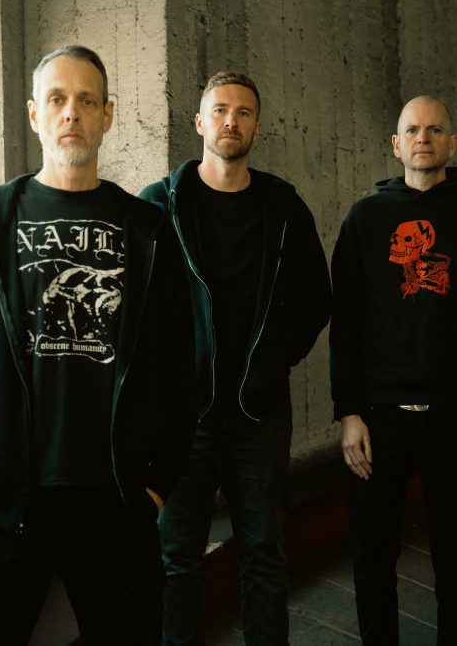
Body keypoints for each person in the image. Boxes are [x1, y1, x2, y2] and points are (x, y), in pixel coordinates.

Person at [0, 45, 196, 644]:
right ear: (34, 114)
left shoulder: (147, 232)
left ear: (107, 116)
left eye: (87, 100)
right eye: (57, 99)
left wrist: (159, 482)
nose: (72, 112)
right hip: (1, 500)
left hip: (115, 499)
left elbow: (180, 366)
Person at [140, 71, 331, 645]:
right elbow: (138, 310)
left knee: (264, 554)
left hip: (259, 414)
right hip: (184, 416)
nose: (231, 120)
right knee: (178, 559)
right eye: (220, 110)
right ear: (199, 122)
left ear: (257, 128)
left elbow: (316, 298)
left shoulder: (283, 206)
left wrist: (275, 360)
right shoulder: (160, 205)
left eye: (243, 112)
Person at [330, 95, 457, 645]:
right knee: (372, 557)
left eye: (435, 129)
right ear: (396, 144)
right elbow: (345, 321)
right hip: (379, 417)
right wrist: (348, 412)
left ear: (452, 143)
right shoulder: (365, 217)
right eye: (413, 130)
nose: (424, 138)